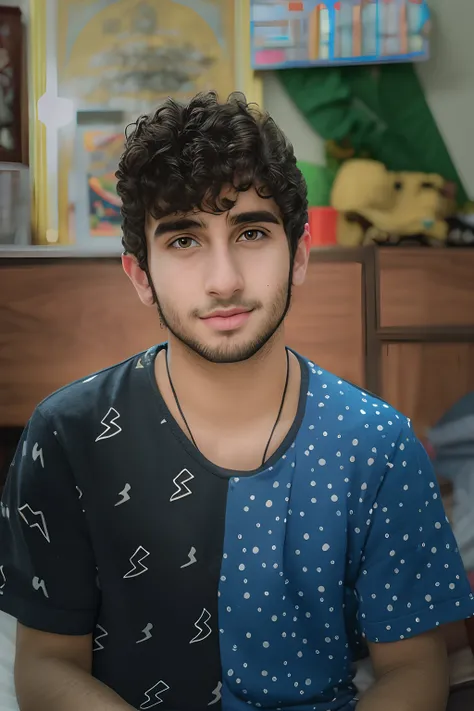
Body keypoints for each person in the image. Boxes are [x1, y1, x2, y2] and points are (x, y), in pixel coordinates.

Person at [0, 91, 473, 711]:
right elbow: (43, 665)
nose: (224, 278)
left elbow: (415, 671)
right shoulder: (67, 435)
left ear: (298, 255)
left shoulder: (377, 445)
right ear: (140, 275)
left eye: (251, 231)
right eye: (184, 240)